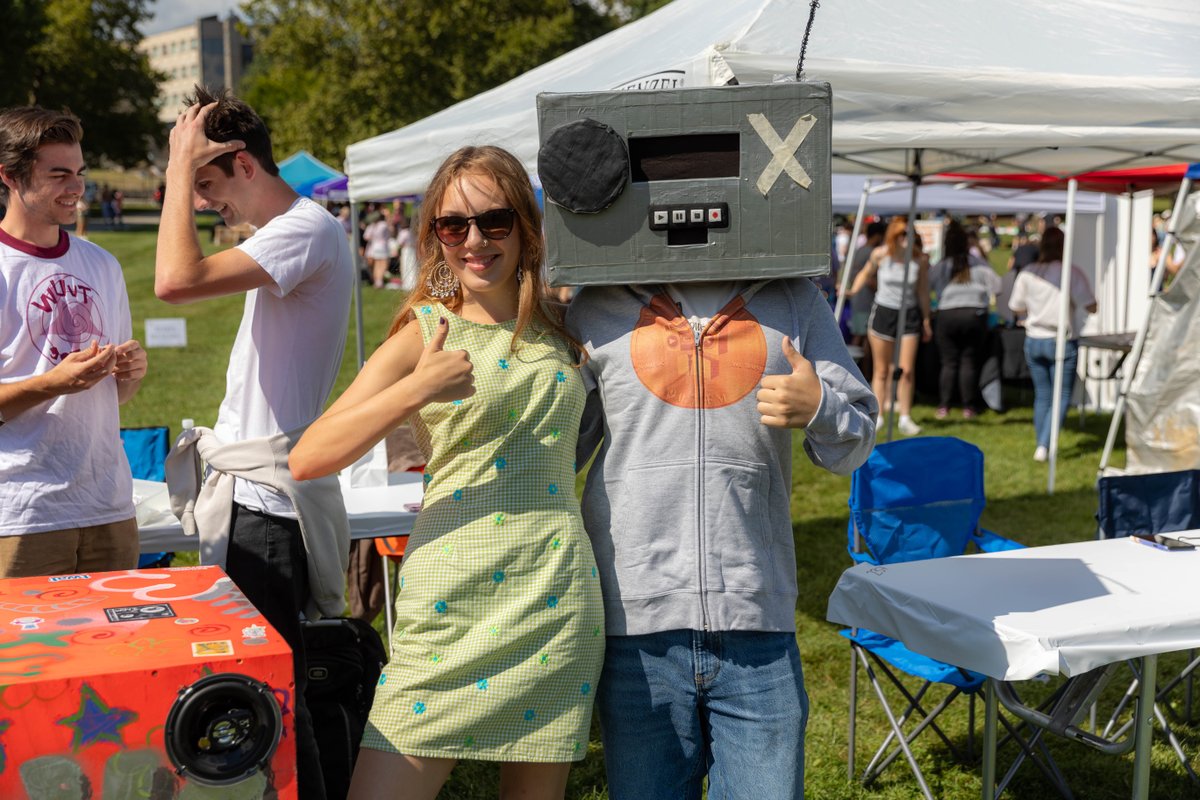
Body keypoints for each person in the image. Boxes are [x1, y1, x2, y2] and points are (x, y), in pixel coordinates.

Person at [290, 145, 604, 800]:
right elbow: (308, 457)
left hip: (553, 595)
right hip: (450, 601)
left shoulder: (564, 327)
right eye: (453, 225)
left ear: (526, 225)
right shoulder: (423, 332)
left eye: (494, 221)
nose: (475, 241)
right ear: (433, 233)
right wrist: (415, 389)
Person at [567, 259, 877, 798]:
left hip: (756, 619)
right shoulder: (596, 307)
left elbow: (854, 444)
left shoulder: (794, 299)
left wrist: (821, 407)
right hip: (636, 627)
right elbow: (561, 447)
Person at [154, 85, 352, 800]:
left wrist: (179, 169)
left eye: (208, 184)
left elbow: (174, 281)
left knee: (267, 702)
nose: (206, 203)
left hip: (266, 509)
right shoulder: (295, 232)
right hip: (260, 497)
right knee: (270, 696)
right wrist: (185, 168)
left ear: (240, 163)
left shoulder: (303, 229)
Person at [0, 105, 147, 577]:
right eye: (59, 174)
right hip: (24, 513)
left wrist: (129, 373)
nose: (77, 187)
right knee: (27, 653)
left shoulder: (102, 264)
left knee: (120, 649)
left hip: (109, 505)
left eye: (79, 172)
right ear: (10, 176)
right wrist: (53, 382)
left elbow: (116, 396)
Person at [1008, 226, 1097, 462]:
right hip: (1060, 339)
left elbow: (1016, 306)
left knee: (1044, 395)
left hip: (1035, 337)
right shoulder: (1070, 272)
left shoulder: (1028, 272)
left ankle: (1042, 444)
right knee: (1061, 394)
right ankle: (1045, 443)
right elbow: (1091, 304)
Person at [850, 217, 932, 436]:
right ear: (893, 235)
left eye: (910, 234)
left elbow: (923, 291)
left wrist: (926, 320)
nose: (907, 239)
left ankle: (905, 416)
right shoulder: (881, 254)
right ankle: (878, 415)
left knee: (905, 370)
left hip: (909, 315)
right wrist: (851, 291)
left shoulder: (919, 259)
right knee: (882, 370)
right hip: (884, 313)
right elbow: (864, 274)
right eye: (902, 234)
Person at [930, 220, 1001, 419]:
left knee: (949, 362)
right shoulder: (978, 263)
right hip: (974, 315)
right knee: (969, 361)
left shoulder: (941, 266)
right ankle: (968, 407)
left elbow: (927, 286)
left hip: (947, 315)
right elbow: (998, 285)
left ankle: (944, 405)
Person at [846, 219, 887, 374]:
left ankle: (857, 370)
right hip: (866, 302)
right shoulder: (871, 252)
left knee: (858, 337)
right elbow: (869, 280)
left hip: (858, 301)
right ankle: (864, 371)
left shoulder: (859, 250)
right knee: (865, 340)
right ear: (877, 236)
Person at [363, 209, 392, 288]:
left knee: (377, 265)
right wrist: (388, 215)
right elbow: (390, 227)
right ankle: (379, 281)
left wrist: (373, 238)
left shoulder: (371, 226)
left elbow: (366, 237)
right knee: (383, 264)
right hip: (382, 246)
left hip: (374, 246)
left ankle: (377, 281)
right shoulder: (382, 224)